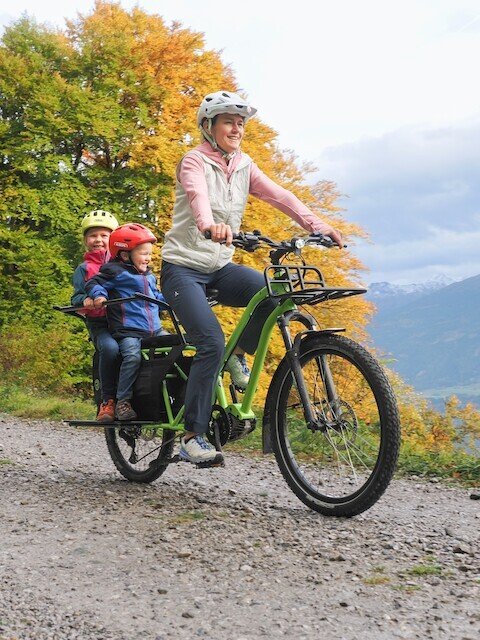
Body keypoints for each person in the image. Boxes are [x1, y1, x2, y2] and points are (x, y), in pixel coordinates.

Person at [160, 90, 343, 466]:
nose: (237, 129)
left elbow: (281, 197)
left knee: (272, 292)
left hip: (220, 266)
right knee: (210, 341)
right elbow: (197, 196)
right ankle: (193, 436)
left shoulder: (244, 166)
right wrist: (208, 224)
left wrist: (318, 225)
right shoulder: (194, 161)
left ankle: (238, 355)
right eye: (229, 121)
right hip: (182, 268)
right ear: (208, 126)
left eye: (241, 123)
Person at [86, 223, 166, 422]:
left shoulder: (149, 276)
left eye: (150, 254)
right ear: (124, 255)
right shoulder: (116, 272)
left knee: (178, 349)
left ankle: (166, 398)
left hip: (155, 331)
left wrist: (178, 302)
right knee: (132, 356)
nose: (148, 258)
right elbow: (94, 283)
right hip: (129, 331)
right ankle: (123, 401)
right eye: (143, 253)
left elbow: (157, 297)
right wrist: (99, 296)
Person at [72, 210, 121, 423]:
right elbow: (76, 296)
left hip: (126, 322)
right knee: (110, 349)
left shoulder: (124, 265)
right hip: (100, 323)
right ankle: (107, 401)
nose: (98, 240)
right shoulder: (84, 269)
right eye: (93, 236)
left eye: (104, 235)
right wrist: (84, 300)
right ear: (85, 240)